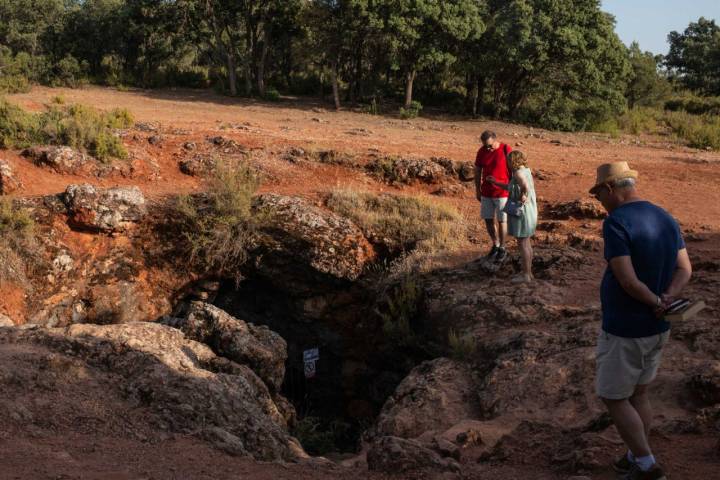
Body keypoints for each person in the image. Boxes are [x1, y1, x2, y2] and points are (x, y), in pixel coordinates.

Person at [590, 162, 692, 480]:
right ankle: (636, 455)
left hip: (626, 327)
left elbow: (628, 281)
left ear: (611, 189)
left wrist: (654, 301)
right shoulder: (665, 217)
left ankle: (647, 466)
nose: (599, 202)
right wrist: (667, 299)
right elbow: (685, 269)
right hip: (657, 327)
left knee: (613, 396)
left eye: (599, 195)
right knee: (640, 394)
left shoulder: (617, 222)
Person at [486, 150, 537, 283]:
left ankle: (525, 275)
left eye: (508, 160)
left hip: (522, 212)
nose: (507, 163)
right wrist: (496, 182)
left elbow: (524, 186)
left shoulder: (518, 173)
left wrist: (523, 195)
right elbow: (511, 187)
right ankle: (528, 273)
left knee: (523, 244)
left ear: (513, 160)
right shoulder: (526, 170)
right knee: (526, 243)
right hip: (529, 211)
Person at [474, 130, 512, 262]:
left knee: (502, 220)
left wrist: (513, 189)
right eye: (485, 146)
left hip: (502, 192)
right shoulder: (481, 151)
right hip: (486, 192)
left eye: (490, 145)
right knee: (488, 219)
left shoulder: (505, 149)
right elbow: (478, 170)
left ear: (496, 139)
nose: (488, 148)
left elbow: (513, 170)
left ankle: (502, 247)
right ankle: (495, 244)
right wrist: (478, 190)